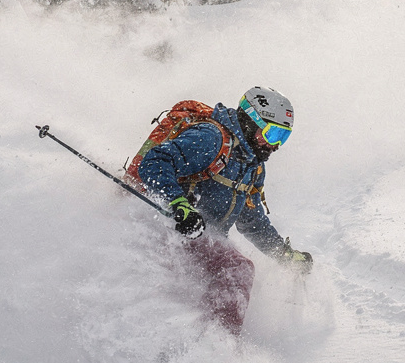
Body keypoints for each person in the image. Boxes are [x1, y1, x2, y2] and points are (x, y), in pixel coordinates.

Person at [131, 87, 312, 332]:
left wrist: (284, 255)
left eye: (284, 137)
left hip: (197, 239)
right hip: (168, 227)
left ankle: (183, 346)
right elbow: (153, 163)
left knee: (226, 274)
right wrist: (179, 205)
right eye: (272, 134)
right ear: (251, 121)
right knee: (237, 269)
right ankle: (215, 349)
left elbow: (252, 221)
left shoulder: (252, 166)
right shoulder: (211, 138)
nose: (276, 145)